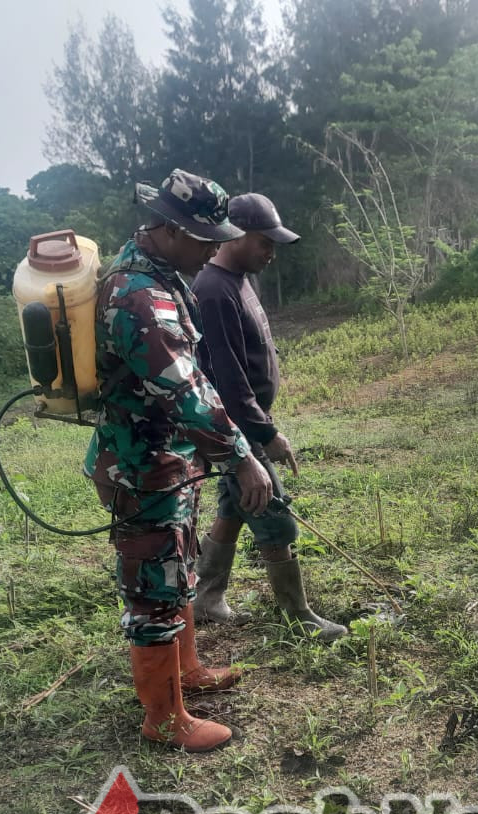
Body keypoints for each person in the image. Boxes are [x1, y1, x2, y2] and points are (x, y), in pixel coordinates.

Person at [86, 169, 272, 753]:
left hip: (167, 457)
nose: (212, 249)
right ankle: (164, 718)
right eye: (203, 238)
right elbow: (184, 388)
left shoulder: (162, 274)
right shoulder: (139, 296)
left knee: (177, 568)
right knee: (153, 592)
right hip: (140, 465)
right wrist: (244, 456)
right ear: (166, 228)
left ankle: (185, 673)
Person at [190, 193, 347, 641]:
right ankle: (298, 617)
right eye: (264, 242)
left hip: (244, 423)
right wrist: (265, 433)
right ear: (236, 235)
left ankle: (207, 596)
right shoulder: (213, 290)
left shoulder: (238, 280)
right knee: (270, 507)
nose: (271, 252)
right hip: (236, 427)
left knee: (235, 504)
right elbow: (227, 379)